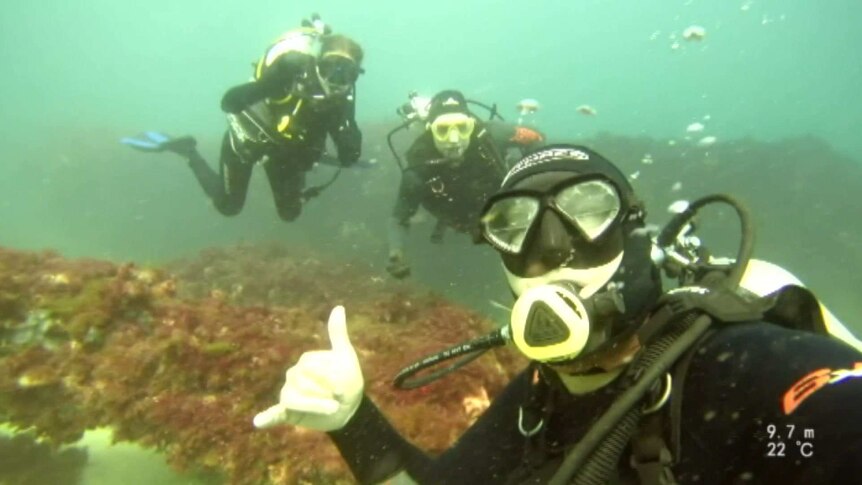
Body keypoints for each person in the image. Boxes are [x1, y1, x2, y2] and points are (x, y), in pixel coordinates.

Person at [253, 144, 862, 484]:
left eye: (586, 208)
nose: (548, 249)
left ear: (632, 231)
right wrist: (353, 420)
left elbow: (819, 433)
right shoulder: (539, 400)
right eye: (513, 226)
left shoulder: (739, 364)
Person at [122, 14, 364, 222]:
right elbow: (229, 102)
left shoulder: (341, 102)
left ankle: (290, 177)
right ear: (317, 63)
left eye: (347, 74)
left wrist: (344, 123)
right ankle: (188, 152)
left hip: (282, 156)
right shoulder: (289, 74)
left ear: (355, 78)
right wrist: (273, 81)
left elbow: (349, 156)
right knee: (229, 207)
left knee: (290, 214)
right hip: (246, 142)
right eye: (331, 68)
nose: (336, 80)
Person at [385, 89, 545, 279]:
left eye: (462, 127)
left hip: (502, 207)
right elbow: (399, 218)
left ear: (472, 125)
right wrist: (396, 253)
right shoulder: (418, 167)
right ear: (430, 130)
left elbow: (536, 138)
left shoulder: (490, 134)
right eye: (443, 130)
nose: (454, 139)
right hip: (461, 220)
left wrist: (529, 182)